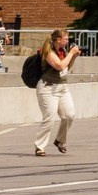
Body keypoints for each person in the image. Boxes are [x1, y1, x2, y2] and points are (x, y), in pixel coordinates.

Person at [27, 28, 81, 156]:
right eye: (66, 39)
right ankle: (39, 146)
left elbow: (66, 67)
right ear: (58, 40)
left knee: (69, 116)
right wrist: (71, 53)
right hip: (47, 88)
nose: (68, 41)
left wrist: (73, 56)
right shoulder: (48, 52)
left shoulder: (62, 51)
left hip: (62, 87)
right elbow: (59, 66)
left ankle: (60, 140)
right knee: (49, 118)